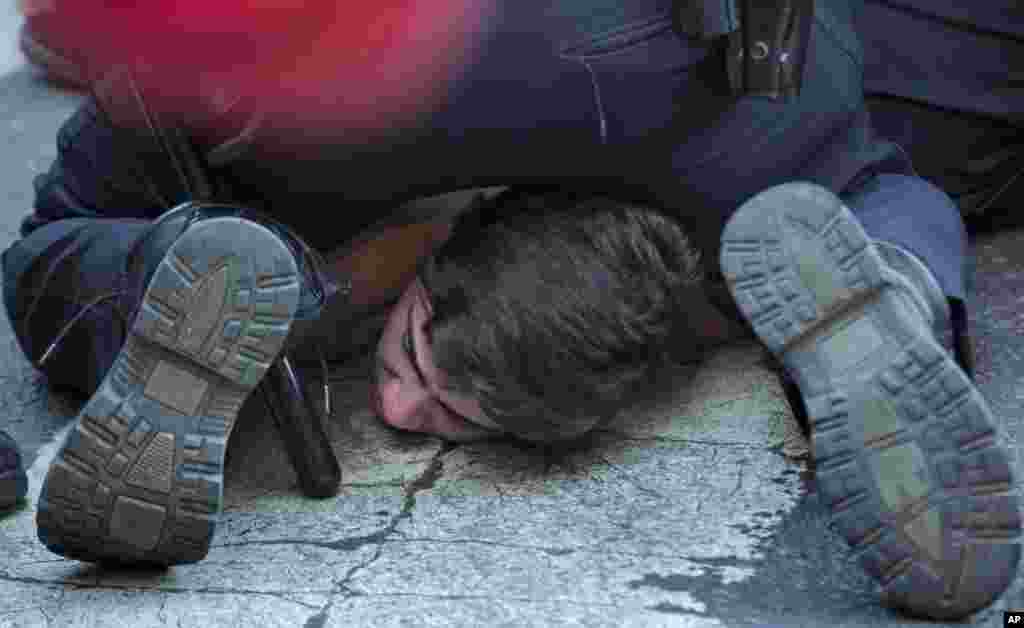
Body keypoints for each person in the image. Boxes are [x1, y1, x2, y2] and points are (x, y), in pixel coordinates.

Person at [1, 0, 1019, 620]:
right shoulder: (741, 164)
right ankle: (897, 293)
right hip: (699, 63)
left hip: (395, 68)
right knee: (874, 201)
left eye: (451, 415)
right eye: (419, 367)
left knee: (69, 234)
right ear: (449, 252)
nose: (396, 415)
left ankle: (190, 262)